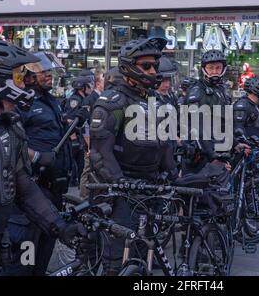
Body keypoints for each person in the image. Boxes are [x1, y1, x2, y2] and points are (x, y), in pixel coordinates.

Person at [0, 37, 90, 276]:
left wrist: (59, 226)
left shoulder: (11, 129)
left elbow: (24, 188)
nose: (25, 85)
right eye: (18, 77)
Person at [89, 37, 178, 274]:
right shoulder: (111, 102)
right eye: (146, 66)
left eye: (154, 66)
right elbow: (99, 153)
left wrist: (173, 174)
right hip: (120, 194)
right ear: (128, 66)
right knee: (117, 262)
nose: (152, 71)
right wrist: (122, 183)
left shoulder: (156, 101)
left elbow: (164, 144)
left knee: (144, 252)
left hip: (149, 190)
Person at [6, 52, 88, 275]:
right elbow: (9, 143)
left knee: (42, 261)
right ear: (28, 75)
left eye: (49, 71)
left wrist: (71, 123)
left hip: (53, 195)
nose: (49, 75)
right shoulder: (21, 103)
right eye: (43, 71)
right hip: (29, 198)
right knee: (24, 265)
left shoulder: (51, 101)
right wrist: (35, 157)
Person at [183, 50, 232, 174]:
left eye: (218, 68)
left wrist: (236, 143)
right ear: (204, 69)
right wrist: (212, 158)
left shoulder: (221, 90)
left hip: (218, 149)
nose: (215, 71)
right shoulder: (197, 91)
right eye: (211, 68)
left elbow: (224, 123)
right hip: (200, 154)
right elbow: (195, 128)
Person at [79, 68, 105, 198]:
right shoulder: (90, 99)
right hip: (91, 144)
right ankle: (84, 196)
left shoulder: (103, 98)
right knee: (88, 169)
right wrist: (89, 145)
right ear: (98, 83)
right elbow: (85, 125)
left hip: (100, 143)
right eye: (103, 80)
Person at [64, 75, 93, 187]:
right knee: (75, 162)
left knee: (80, 163)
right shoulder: (75, 100)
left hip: (79, 136)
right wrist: (74, 138)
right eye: (88, 86)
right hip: (73, 138)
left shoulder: (82, 99)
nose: (90, 88)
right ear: (82, 88)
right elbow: (69, 119)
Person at [233, 77, 259, 142]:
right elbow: (238, 129)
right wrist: (249, 142)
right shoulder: (243, 105)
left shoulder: (256, 105)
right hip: (249, 147)